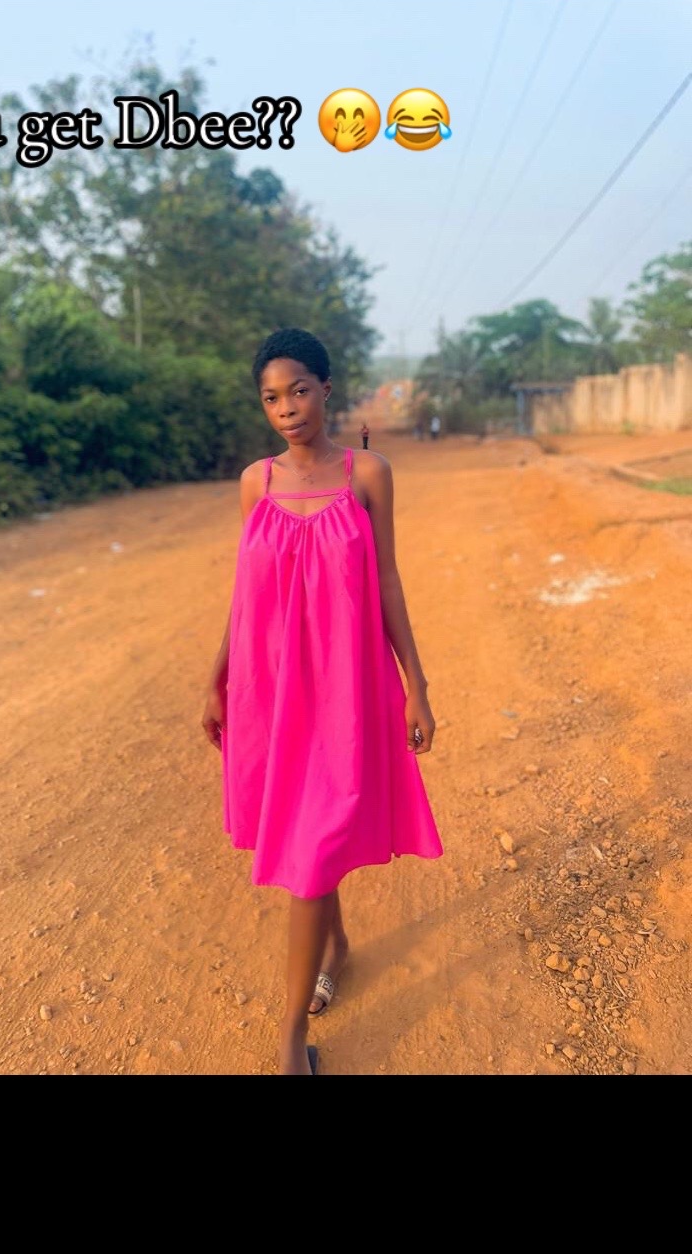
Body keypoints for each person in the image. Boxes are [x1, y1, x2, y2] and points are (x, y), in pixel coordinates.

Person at [202, 328, 443, 1076]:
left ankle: (287, 1040)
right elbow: (246, 591)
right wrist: (217, 676)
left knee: (310, 848)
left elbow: (388, 579)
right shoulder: (256, 482)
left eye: (299, 390)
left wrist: (417, 685)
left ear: (326, 388)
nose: (287, 408)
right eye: (271, 397)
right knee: (308, 836)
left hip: (345, 688)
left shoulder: (367, 472)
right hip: (272, 688)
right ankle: (335, 945)